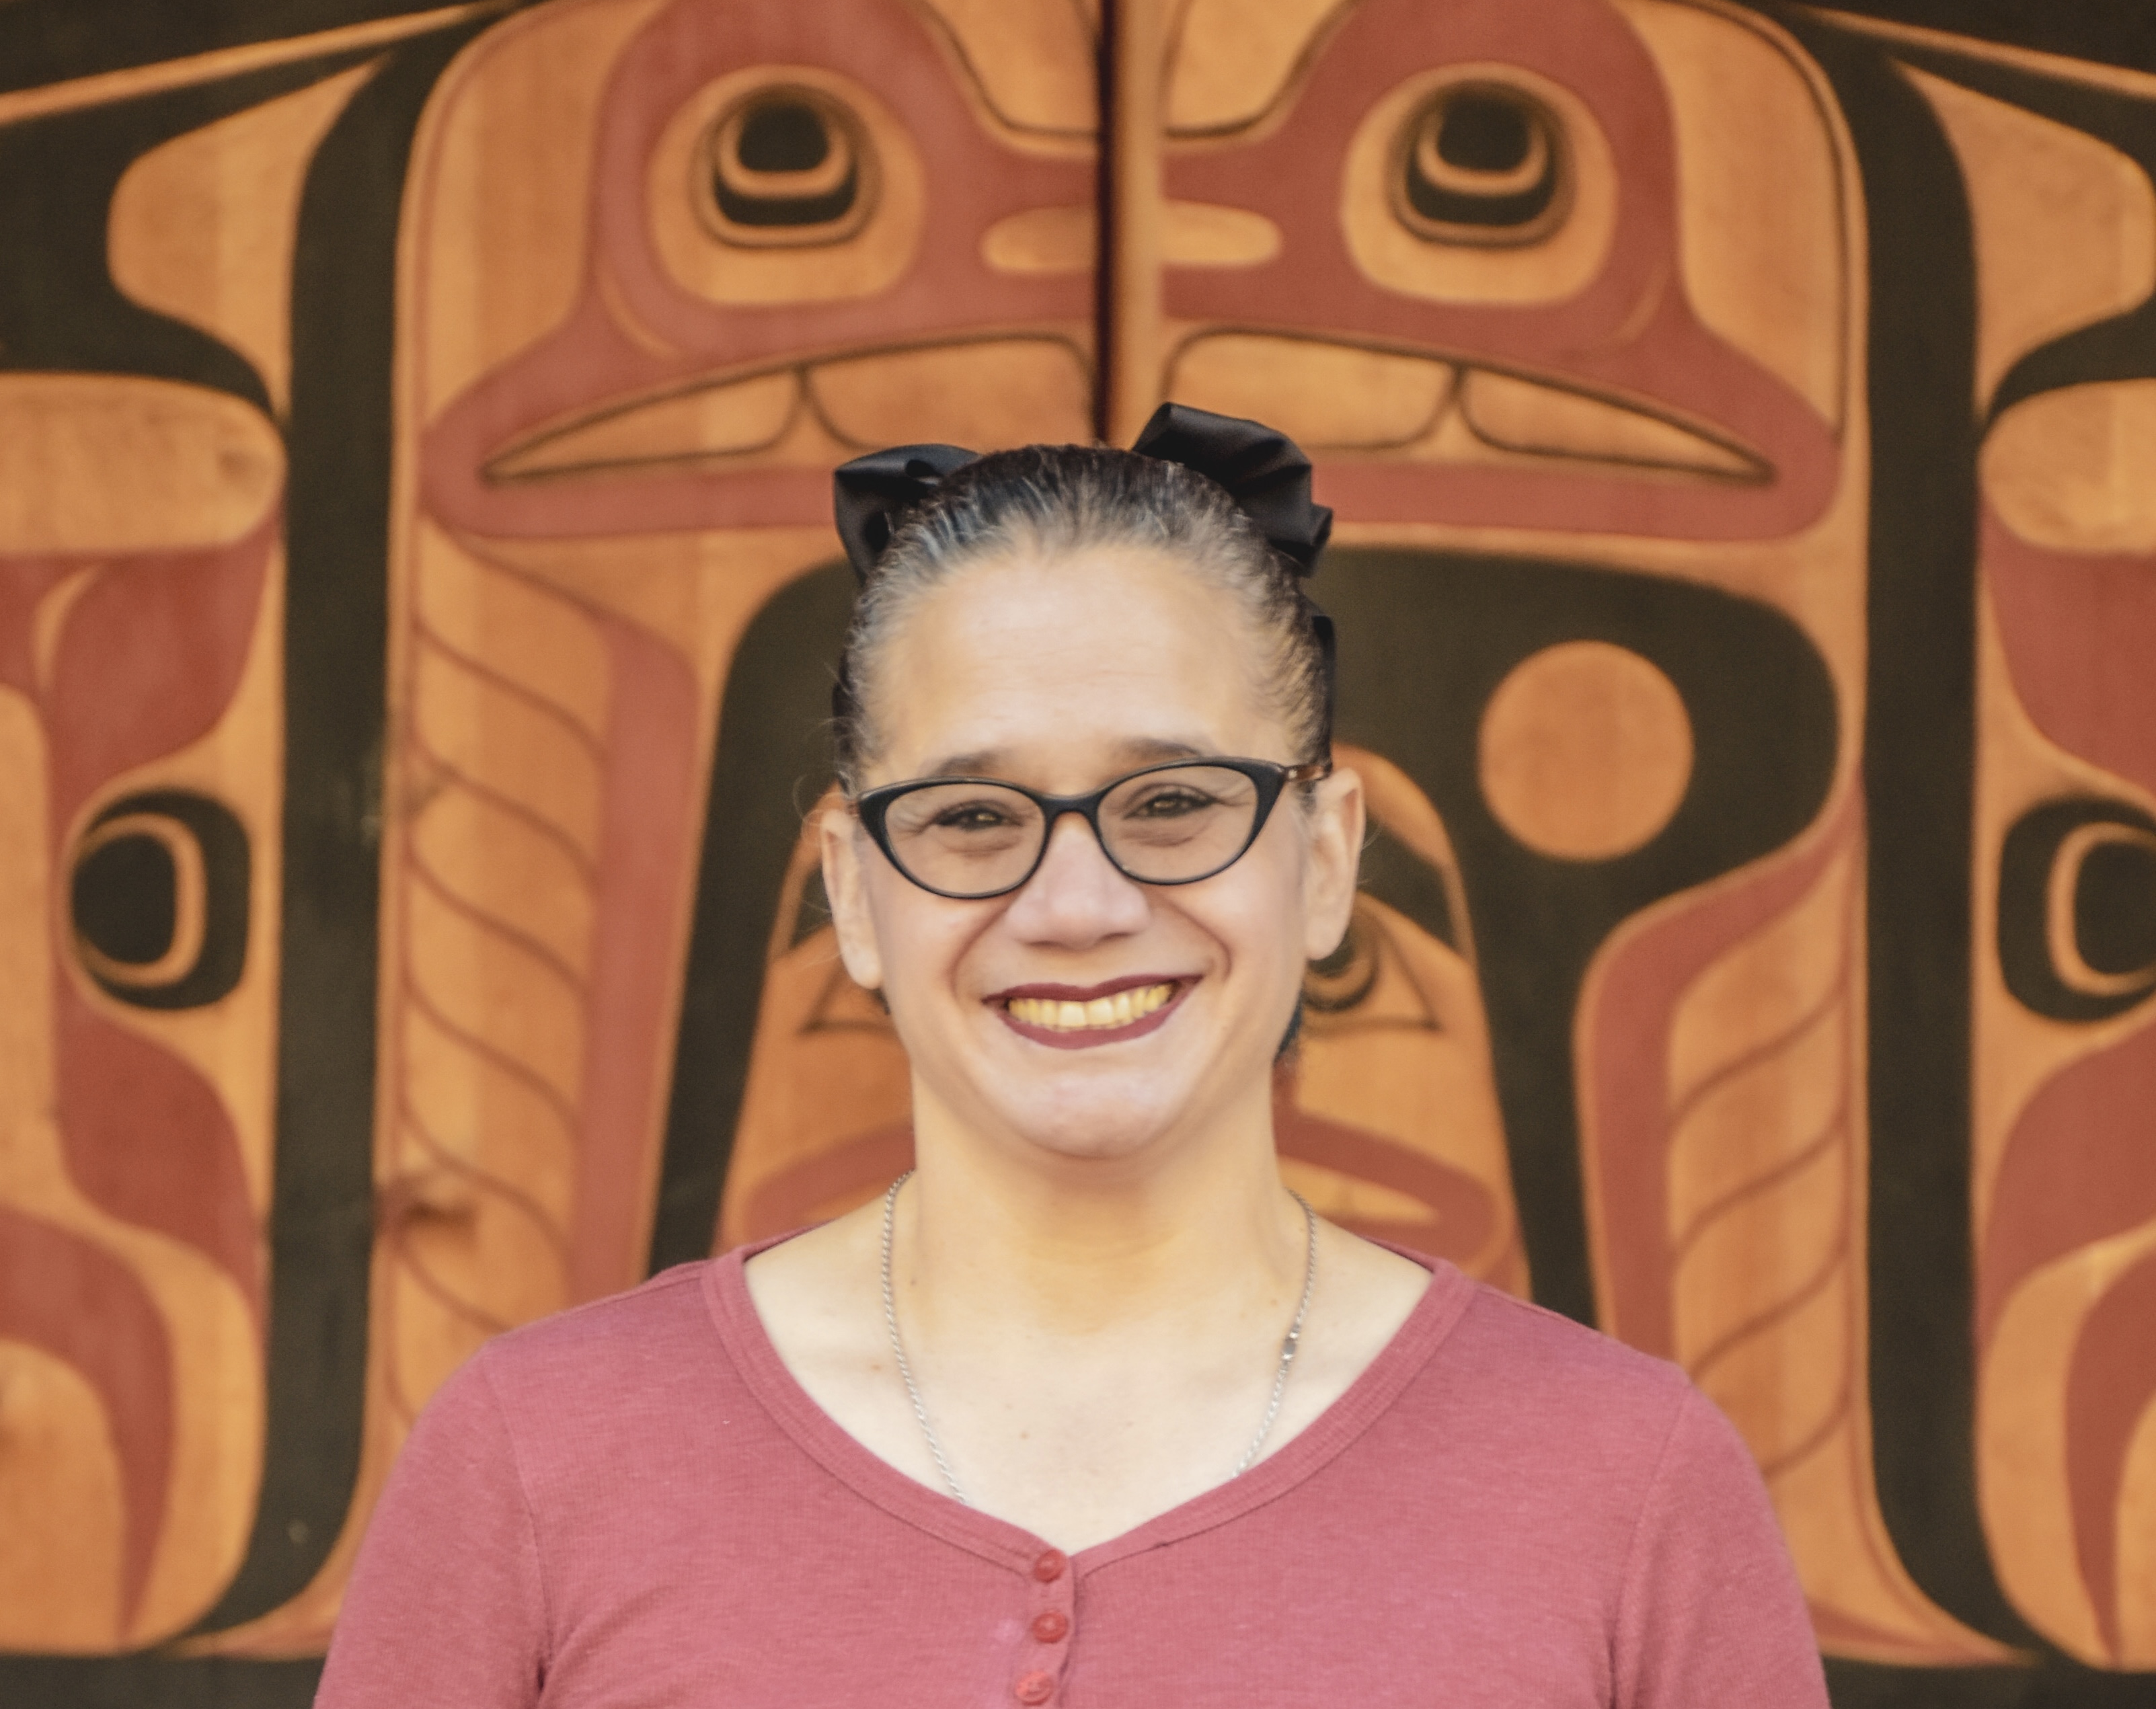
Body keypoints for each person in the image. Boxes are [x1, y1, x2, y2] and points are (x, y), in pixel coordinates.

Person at [316, 406, 1828, 1708]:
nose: (1078, 906)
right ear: (853, 891)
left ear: (1322, 861)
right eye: (972, 818)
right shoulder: (540, 1457)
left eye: (1171, 802)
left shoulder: (1624, 1484)